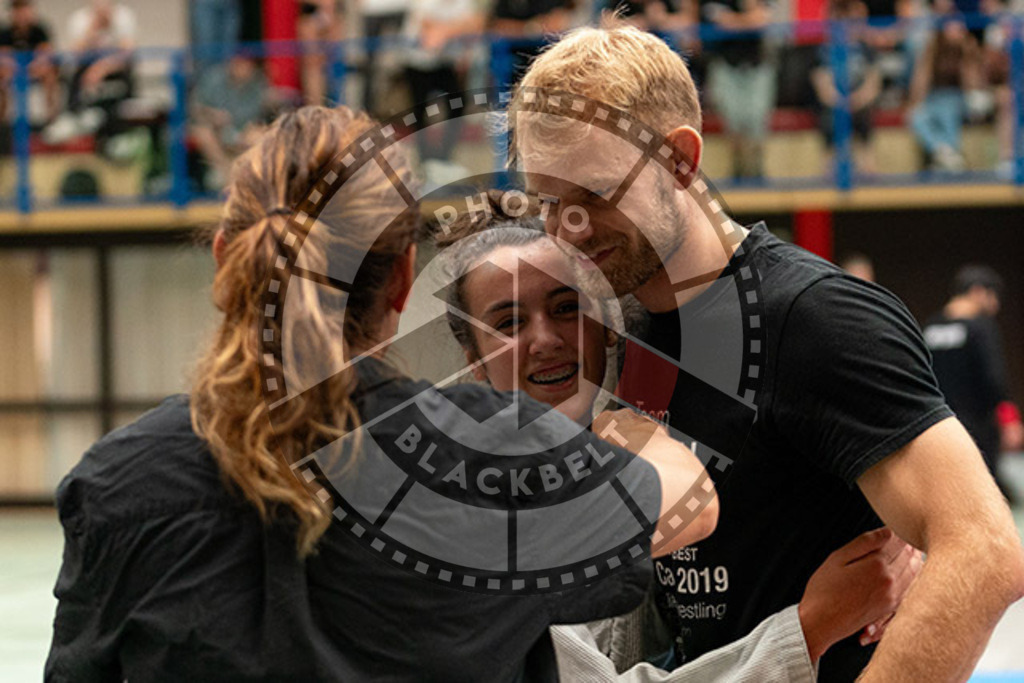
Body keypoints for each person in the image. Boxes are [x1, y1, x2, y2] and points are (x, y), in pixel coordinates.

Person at [46, 105, 720, 682]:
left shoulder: (116, 483)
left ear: (226, 259)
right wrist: (634, 433)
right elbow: (689, 505)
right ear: (404, 279)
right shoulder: (493, 451)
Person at [512, 24, 1024, 682]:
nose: (568, 229)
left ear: (680, 160)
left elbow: (983, 551)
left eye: (594, 195)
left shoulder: (812, 318)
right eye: (549, 203)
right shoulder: (619, 326)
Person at [435, 198, 921, 681]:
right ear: (474, 358)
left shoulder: (627, 428)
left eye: (566, 307)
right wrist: (812, 626)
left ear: (606, 326)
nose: (545, 340)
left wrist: (892, 516)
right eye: (508, 323)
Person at [923, 265, 1023, 504]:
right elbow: (993, 378)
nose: (996, 305)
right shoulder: (980, 327)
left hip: (938, 426)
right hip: (977, 429)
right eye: (994, 296)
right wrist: (1009, 420)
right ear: (979, 292)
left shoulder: (930, 327)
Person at [698, 0, 776, 180]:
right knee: (733, 119)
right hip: (726, 65)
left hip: (757, 65)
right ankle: (739, 168)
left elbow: (761, 20)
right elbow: (722, 22)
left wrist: (741, 17)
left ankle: (756, 168)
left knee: (756, 118)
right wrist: (747, 21)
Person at [810, 0, 882, 175]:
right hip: (834, 101)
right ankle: (829, 162)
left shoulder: (866, 49)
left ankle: (867, 162)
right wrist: (840, 101)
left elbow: (873, 82)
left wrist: (857, 99)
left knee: (865, 115)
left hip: (859, 99)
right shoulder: (824, 50)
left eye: (853, 20)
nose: (849, 26)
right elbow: (821, 84)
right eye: (843, 20)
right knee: (829, 117)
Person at [908, 13, 985, 172]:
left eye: (959, 28)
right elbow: (922, 78)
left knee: (948, 110)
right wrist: (916, 102)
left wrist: (967, 54)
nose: (956, 31)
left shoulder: (968, 48)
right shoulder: (933, 47)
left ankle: (947, 157)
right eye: (952, 27)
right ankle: (948, 153)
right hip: (934, 98)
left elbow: (973, 86)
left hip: (960, 97)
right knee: (916, 117)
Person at [190, 52, 274, 189]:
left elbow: (258, 116)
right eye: (241, 64)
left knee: (259, 134)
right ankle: (228, 176)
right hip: (215, 131)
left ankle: (253, 181)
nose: (245, 69)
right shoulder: (213, 78)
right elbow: (194, 108)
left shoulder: (258, 83)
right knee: (202, 132)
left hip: (243, 131)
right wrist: (213, 115)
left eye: (248, 65)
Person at [0, 0, 58, 123]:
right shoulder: (5, 32)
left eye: (24, 9)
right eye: (18, 10)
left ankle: (51, 115)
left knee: (49, 72)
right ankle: (2, 117)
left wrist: (33, 65)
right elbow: (4, 55)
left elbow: (45, 52)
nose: (21, 14)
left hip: (35, 70)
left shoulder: (39, 30)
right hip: (12, 70)